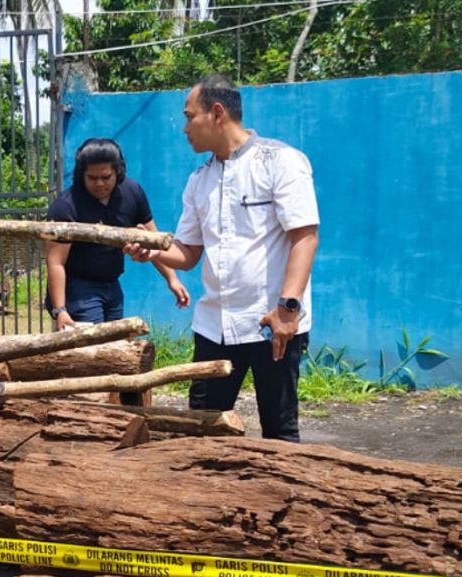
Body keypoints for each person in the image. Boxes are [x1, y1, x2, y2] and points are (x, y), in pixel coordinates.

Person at [126, 75, 320, 442]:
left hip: (271, 323)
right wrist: (151, 248)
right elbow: (187, 253)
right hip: (214, 326)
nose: (185, 128)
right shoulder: (199, 180)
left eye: (189, 117)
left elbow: (305, 237)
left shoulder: (280, 161)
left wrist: (288, 309)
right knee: (202, 429)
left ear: (217, 113)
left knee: (279, 432)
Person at [46, 138, 189, 330]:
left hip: (112, 286)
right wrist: (60, 310)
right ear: (82, 175)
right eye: (92, 178)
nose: (99, 183)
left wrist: (172, 279)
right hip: (78, 289)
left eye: (106, 177)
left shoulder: (132, 193)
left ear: (117, 172)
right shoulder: (66, 206)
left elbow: (153, 240)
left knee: (114, 345)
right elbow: (55, 262)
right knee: (89, 351)